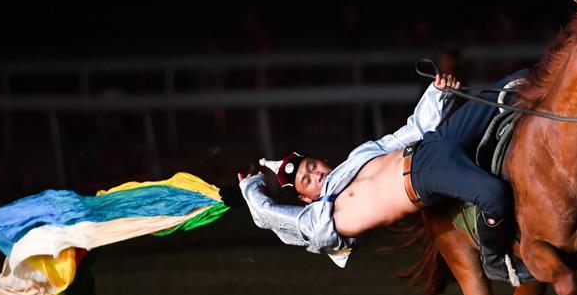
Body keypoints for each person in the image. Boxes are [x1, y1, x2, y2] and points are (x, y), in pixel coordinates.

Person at [223, 69, 526, 268]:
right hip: (425, 175)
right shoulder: (322, 218)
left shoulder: (358, 157)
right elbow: (266, 215)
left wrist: (436, 92)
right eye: (308, 179)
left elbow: (412, 129)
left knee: (515, 86)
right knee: (494, 195)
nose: (317, 174)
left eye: (314, 166)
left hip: (436, 141)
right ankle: (496, 259)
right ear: (306, 198)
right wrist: (250, 188)